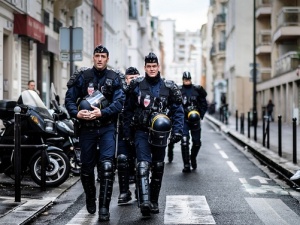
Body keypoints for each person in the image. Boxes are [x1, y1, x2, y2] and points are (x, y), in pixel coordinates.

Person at [65, 45, 125, 222]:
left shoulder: (114, 78)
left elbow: (119, 102)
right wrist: (76, 113)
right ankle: (90, 198)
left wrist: (102, 112)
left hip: (106, 127)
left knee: (107, 167)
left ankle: (104, 209)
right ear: (93, 57)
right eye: (97, 56)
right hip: (87, 129)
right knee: (86, 168)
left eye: (103, 56)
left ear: (107, 58)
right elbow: (69, 99)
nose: (100, 59)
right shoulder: (83, 77)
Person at [123, 52, 184, 217]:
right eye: (148, 66)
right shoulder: (136, 85)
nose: (151, 69)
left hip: (160, 134)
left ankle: (154, 201)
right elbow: (127, 110)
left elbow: (178, 110)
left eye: (154, 66)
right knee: (143, 165)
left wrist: (178, 130)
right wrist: (127, 132)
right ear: (145, 68)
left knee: (157, 167)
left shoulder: (168, 87)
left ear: (158, 67)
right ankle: (144, 202)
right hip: (141, 131)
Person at [168, 71, 208, 172]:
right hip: (184, 119)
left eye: (188, 80)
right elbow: (174, 105)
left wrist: (200, 115)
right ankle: (186, 164)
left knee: (197, 143)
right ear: (183, 80)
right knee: (184, 141)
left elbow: (204, 103)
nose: (187, 81)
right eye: (185, 80)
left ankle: (193, 158)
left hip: (195, 119)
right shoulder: (179, 90)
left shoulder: (197, 90)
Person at [116, 67, 140, 204]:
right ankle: (124, 192)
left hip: (139, 133)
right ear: (126, 79)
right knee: (122, 159)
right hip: (123, 133)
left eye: (136, 78)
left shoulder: (142, 91)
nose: (134, 80)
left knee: (140, 162)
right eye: (131, 78)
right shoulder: (120, 93)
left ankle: (139, 189)